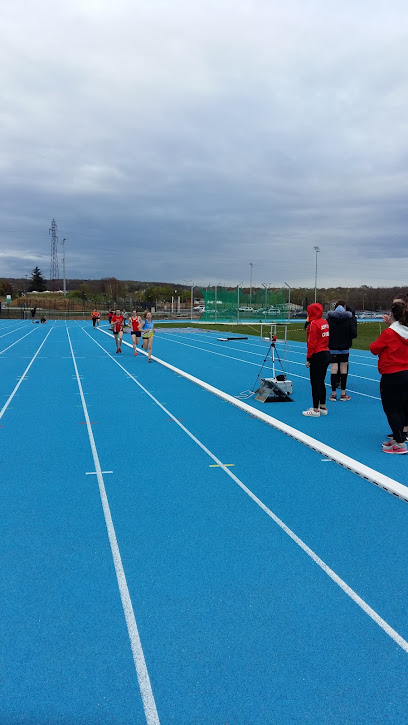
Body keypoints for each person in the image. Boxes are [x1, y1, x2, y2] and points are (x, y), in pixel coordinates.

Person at [370, 300, 408, 454]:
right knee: (401, 407)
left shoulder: (389, 333)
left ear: (392, 315)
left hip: (392, 374)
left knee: (391, 409)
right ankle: (399, 438)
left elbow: (374, 348)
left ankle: (399, 443)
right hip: (406, 372)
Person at [302, 302, 330, 417]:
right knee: (321, 381)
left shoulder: (313, 324)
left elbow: (311, 343)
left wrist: (308, 358)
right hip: (326, 352)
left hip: (318, 354)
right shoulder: (324, 321)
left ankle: (315, 409)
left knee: (315, 382)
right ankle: (322, 406)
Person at [327, 301, 357, 401]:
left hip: (333, 348)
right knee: (344, 368)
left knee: (333, 369)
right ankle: (343, 393)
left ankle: (333, 394)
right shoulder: (349, 320)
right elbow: (354, 334)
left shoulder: (329, 320)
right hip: (344, 348)